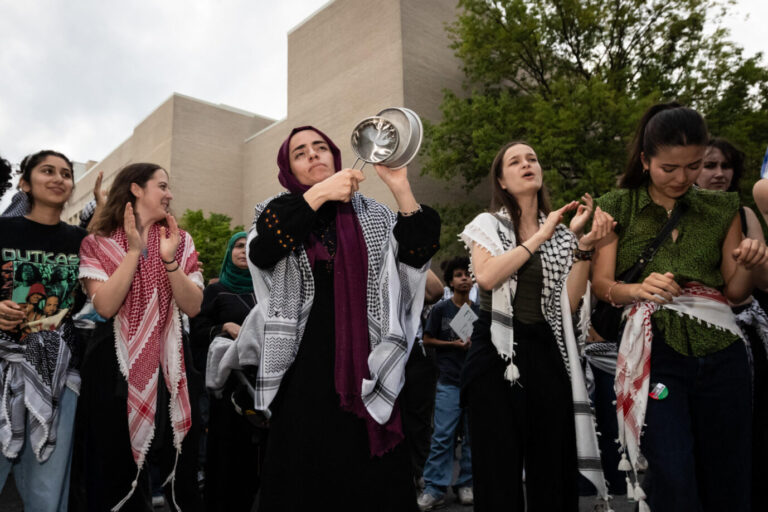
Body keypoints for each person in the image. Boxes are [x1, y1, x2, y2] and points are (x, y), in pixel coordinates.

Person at [207, 126, 440, 512]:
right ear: (289, 168)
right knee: (303, 478)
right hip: (303, 368)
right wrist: (320, 194)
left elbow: (416, 255)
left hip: (369, 365)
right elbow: (265, 250)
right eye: (301, 152)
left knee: (373, 482)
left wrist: (399, 186)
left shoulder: (375, 214)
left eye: (320, 148)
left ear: (336, 155)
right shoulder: (275, 211)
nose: (313, 155)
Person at [591, 103, 768, 512]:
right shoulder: (617, 205)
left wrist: (749, 260)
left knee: (728, 471)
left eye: (693, 166)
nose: (682, 178)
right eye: (668, 168)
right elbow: (603, 285)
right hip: (656, 356)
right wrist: (636, 288)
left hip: (722, 355)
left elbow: (737, 294)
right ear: (645, 160)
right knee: (672, 471)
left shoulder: (723, 208)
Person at [459, 141, 614, 511]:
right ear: (502, 179)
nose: (527, 164)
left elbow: (570, 302)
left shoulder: (561, 233)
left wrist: (583, 247)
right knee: (497, 467)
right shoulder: (488, 224)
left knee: (553, 464)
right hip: (496, 353)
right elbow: (487, 277)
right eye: (515, 161)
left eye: (532, 159)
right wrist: (540, 237)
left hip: (545, 349)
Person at [78, 163, 204, 511]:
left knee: (179, 464)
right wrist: (133, 252)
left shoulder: (180, 240)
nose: (170, 194)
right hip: (113, 367)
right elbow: (105, 305)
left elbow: (193, 306)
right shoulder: (98, 242)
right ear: (136, 189)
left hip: (173, 365)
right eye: (162, 185)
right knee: (115, 472)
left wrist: (169, 261)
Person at [0, 150, 87, 511]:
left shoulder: (82, 241)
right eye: (47, 171)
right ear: (25, 182)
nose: (58, 179)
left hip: (59, 373)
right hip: (4, 364)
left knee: (48, 488)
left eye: (65, 174)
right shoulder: (3, 230)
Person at [695, 137, 768, 512]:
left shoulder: (743, 213)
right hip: (693, 339)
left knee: (746, 437)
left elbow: (763, 284)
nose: (719, 174)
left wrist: (755, 261)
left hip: (745, 336)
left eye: (725, 166)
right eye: (709, 166)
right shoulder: (675, 216)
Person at [190, 232, 262, 512]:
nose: (244, 251)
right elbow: (196, 333)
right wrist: (224, 328)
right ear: (229, 252)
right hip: (229, 387)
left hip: (264, 382)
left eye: (249, 246)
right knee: (228, 453)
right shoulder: (215, 291)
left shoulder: (264, 289)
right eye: (238, 246)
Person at [417, 257, 477, 510]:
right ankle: (434, 487)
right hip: (449, 381)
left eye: (467, 274)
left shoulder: (480, 310)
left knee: (473, 436)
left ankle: (467, 483)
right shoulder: (441, 309)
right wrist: (451, 345)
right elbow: (427, 339)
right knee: (443, 436)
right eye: (459, 275)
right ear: (450, 281)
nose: (464, 278)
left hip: (474, 382)